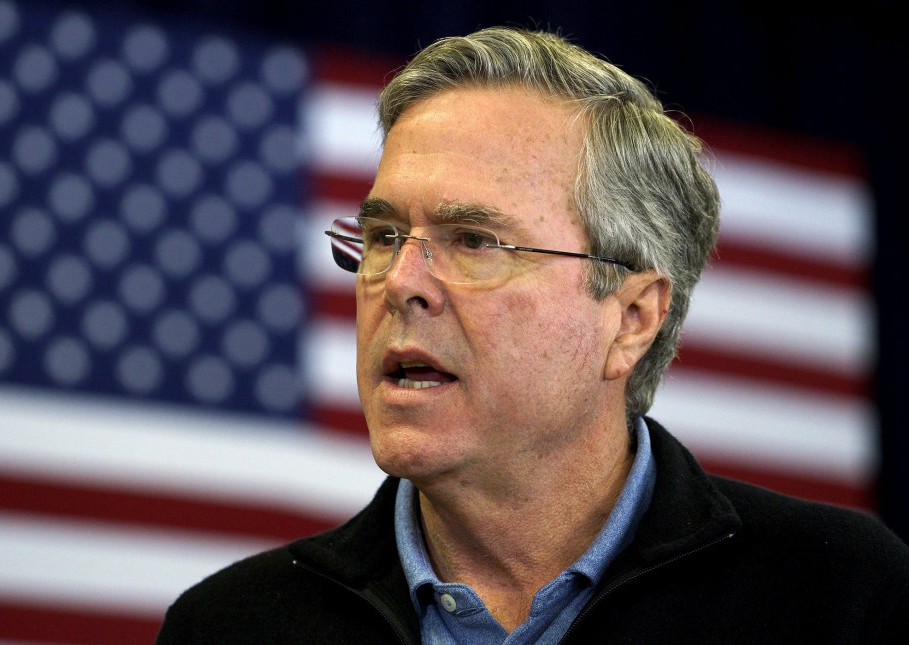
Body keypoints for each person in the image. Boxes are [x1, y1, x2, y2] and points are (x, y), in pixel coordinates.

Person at [157, 27, 909, 643]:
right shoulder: (228, 627)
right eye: (384, 236)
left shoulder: (843, 596)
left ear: (632, 318)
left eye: (474, 241)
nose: (401, 282)